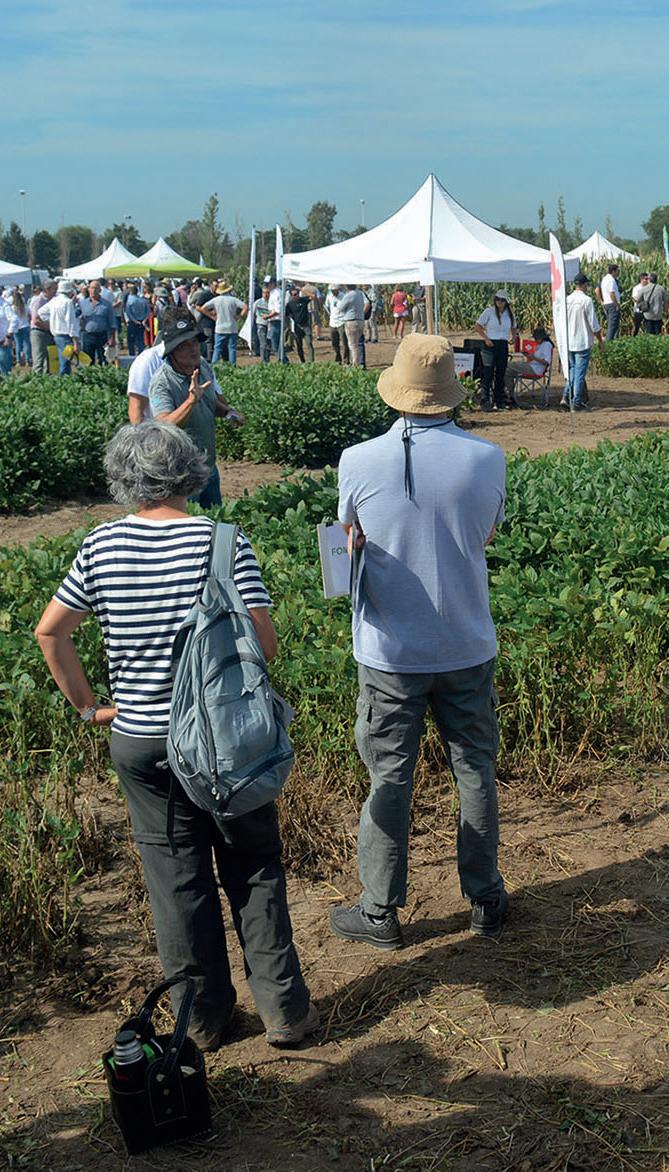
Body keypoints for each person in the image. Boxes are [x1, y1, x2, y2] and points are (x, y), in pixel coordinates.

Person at [33, 422, 318, 1050]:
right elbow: (263, 644)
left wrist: (90, 708)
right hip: (225, 742)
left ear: (124, 479)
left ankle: (202, 1019)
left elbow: (50, 632)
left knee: (176, 881)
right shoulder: (222, 542)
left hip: (142, 741)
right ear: (190, 471)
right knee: (253, 866)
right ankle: (285, 1012)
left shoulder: (100, 546)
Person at [329, 334, 509, 949]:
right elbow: (484, 536)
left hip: (389, 651)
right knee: (475, 769)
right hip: (466, 642)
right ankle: (485, 899)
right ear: (451, 392)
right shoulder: (487, 457)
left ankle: (380, 911)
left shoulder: (357, 459)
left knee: (389, 777)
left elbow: (349, 537)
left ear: (396, 392)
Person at [147, 311, 245, 507]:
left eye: (194, 342)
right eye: (184, 345)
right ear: (172, 351)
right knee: (189, 520)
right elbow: (164, 424)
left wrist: (228, 412)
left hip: (208, 465)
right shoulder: (162, 383)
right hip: (181, 473)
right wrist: (191, 401)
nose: (193, 349)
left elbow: (208, 402)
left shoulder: (202, 366)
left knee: (213, 519)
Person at [563, 274, 602, 410]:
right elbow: (593, 324)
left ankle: (566, 397)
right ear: (585, 284)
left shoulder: (566, 300)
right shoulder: (587, 300)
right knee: (579, 374)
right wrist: (600, 340)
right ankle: (577, 402)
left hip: (568, 341)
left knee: (572, 371)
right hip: (582, 341)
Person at [476, 290, 516, 411]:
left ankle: (499, 400)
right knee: (488, 372)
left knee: (500, 373)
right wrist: (486, 338)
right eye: (497, 299)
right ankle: (485, 400)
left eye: (502, 300)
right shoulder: (489, 311)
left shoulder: (510, 314)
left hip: (503, 344)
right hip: (490, 343)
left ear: (506, 302)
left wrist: (513, 337)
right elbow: (478, 326)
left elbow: (514, 327)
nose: (499, 302)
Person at [504, 326, 553, 402]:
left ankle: (508, 394)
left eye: (536, 338)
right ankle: (509, 395)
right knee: (507, 372)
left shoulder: (547, 345)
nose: (535, 340)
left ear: (541, 338)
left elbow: (547, 362)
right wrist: (528, 356)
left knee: (507, 364)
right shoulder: (540, 345)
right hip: (531, 366)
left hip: (535, 369)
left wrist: (533, 357)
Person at [205, 280, 246, 364]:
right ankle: (232, 366)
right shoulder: (233, 300)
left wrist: (212, 316)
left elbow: (203, 308)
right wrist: (239, 316)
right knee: (232, 348)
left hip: (220, 328)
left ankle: (214, 366)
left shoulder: (216, 300)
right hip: (232, 327)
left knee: (217, 349)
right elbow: (245, 307)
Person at [46, 280, 82, 375]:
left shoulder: (54, 301)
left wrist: (52, 321)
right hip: (66, 336)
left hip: (56, 335)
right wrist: (76, 342)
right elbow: (71, 323)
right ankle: (65, 380)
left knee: (64, 360)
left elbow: (41, 312)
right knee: (67, 362)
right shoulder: (68, 302)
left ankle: (63, 379)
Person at [79, 279, 115, 365]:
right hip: (88, 335)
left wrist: (112, 338)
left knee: (103, 360)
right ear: (88, 289)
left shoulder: (107, 304)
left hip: (102, 335)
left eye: (95, 288)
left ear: (100, 290)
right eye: (91, 288)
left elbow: (112, 322)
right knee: (88, 361)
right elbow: (75, 315)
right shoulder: (82, 303)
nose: (93, 290)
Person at [338, 284, 368, 366]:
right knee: (357, 343)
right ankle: (359, 363)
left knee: (352, 345)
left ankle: (355, 364)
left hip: (351, 320)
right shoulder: (360, 293)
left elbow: (340, 308)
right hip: (360, 320)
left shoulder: (349, 295)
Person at [285, 284, 314, 362]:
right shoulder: (290, 304)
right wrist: (289, 326)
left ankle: (311, 361)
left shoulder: (303, 300)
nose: (296, 296)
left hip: (306, 325)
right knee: (299, 345)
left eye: (297, 294)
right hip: (297, 326)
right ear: (291, 295)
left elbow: (313, 296)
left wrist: (302, 289)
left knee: (309, 343)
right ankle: (302, 361)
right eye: (294, 294)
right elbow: (286, 315)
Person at [124, 282, 150, 356]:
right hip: (142, 321)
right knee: (140, 339)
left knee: (131, 341)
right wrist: (144, 320)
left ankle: (132, 355)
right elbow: (148, 311)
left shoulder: (129, 301)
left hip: (133, 322)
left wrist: (134, 321)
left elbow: (128, 313)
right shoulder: (143, 300)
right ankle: (141, 354)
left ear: (130, 292)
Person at [600, 264, 621, 341]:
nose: (619, 272)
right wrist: (616, 305)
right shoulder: (611, 280)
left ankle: (612, 342)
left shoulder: (605, 279)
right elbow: (612, 293)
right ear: (613, 271)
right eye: (617, 270)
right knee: (612, 327)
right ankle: (609, 344)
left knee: (612, 325)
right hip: (612, 305)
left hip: (607, 304)